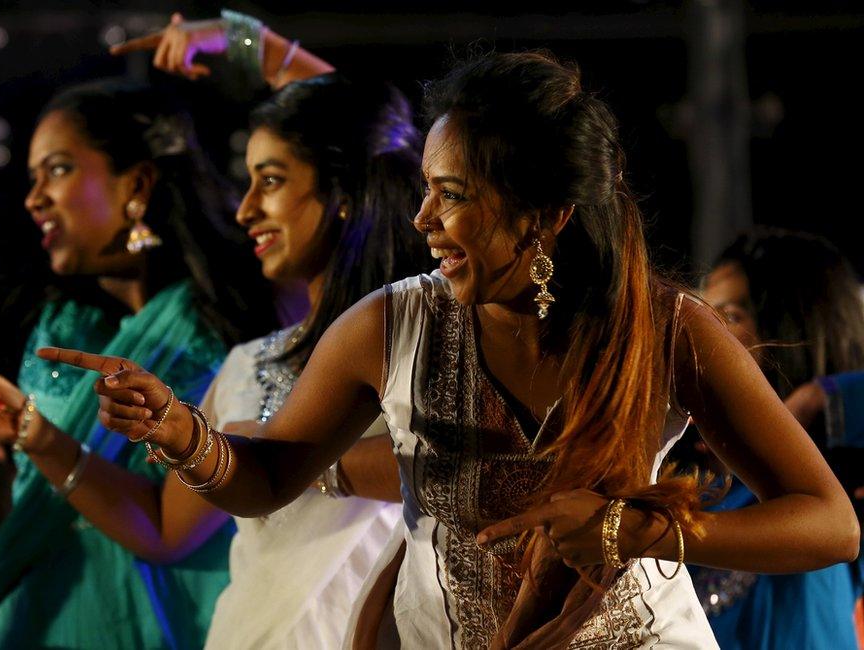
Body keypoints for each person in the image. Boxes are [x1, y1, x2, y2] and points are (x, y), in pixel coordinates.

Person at [44, 51, 859, 648]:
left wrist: (635, 532)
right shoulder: (390, 326)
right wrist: (184, 435)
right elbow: (264, 482)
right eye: (426, 189)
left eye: (454, 196)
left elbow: (830, 525)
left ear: (545, 215)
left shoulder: (666, 328)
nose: (422, 220)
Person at [0, 77, 280, 649]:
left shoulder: (240, 332)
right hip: (37, 623)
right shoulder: (45, 320)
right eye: (31, 179)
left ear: (138, 184)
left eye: (57, 170)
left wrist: (261, 53)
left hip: (168, 626)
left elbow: (167, 528)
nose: (33, 198)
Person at [114, 15, 430, 647]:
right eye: (248, 178)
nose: (244, 208)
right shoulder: (242, 364)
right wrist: (38, 431)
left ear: (344, 189)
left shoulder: (419, 338)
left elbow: (468, 470)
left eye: (273, 180)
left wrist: (246, 40)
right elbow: (168, 528)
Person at [696, 228, 864, 649]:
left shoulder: (825, 481)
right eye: (705, 316)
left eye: (731, 316)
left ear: (796, 327)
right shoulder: (701, 480)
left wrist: (817, 399)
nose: (707, 334)